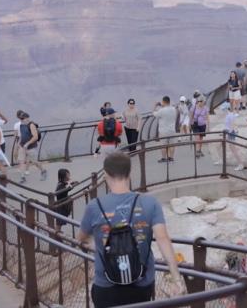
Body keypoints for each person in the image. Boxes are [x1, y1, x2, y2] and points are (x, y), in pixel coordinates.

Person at [78, 152, 185, 307]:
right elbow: (162, 239)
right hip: (141, 285)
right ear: (130, 173)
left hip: (106, 284)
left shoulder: (94, 206)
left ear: (105, 176)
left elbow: (81, 238)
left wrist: (98, 245)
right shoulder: (150, 203)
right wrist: (176, 278)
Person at [18, 112, 47, 183]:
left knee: (35, 162)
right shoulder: (21, 125)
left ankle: (43, 171)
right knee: (21, 161)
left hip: (31, 147)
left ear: (27, 118)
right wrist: (19, 143)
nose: (21, 120)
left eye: (23, 119)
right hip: (22, 146)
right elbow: (22, 135)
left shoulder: (31, 125)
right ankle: (22, 177)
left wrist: (27, 144)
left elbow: (35, 137)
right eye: (20, 119)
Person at [219, 106, 244, 171]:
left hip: (231, 133)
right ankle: (223, 160)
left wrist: (228, 133)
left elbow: (233, 125)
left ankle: (240, 164)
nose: (222, 111)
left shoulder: (230, 115)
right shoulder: (228, 115)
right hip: (229, 132)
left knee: (233, 149)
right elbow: (228, 125)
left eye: (223, 110)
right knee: (221, 146)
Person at [153, 96, 177, 163]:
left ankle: (164, 158)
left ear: (163, 101)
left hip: (163, 131)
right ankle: (171, 157)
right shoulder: (174, 109)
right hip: (172, 130)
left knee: (163, 145)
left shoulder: (161, 110)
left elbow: (154, 114)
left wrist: (154, 106)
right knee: (172, 144)